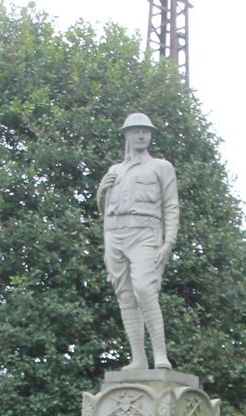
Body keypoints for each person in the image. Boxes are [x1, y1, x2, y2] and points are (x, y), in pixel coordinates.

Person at [98, 112, 179, 370]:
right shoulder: (115, 171)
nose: (141, 135)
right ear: (127, 135)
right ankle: (138, 359)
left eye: (145, 131)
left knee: (145, 289)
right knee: (125, 295)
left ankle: (160, 356)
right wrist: (101, 190)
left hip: (145, 232)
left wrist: (169, 242)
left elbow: (171, 205)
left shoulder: (161, 167)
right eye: (135, 131)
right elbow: (105, 208)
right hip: (115, 233)